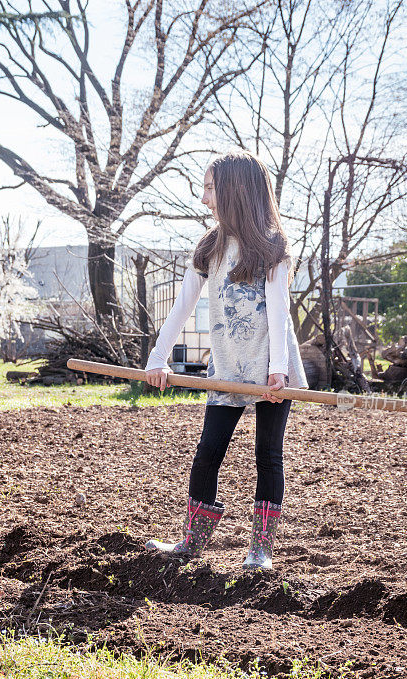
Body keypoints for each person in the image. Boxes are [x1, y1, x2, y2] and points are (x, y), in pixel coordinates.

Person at [144, 151, 308, 569]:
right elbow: (182, 306)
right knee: (208, 450)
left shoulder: (272, 247)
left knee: (267, 454)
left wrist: (277, 369)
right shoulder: (209, 247)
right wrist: (158, 358)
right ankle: (192, 541)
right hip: (227, 366)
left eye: (210, 188)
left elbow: (278, 309)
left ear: (234, 190)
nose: (204, 199)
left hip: (272, 367)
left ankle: (260, 550)